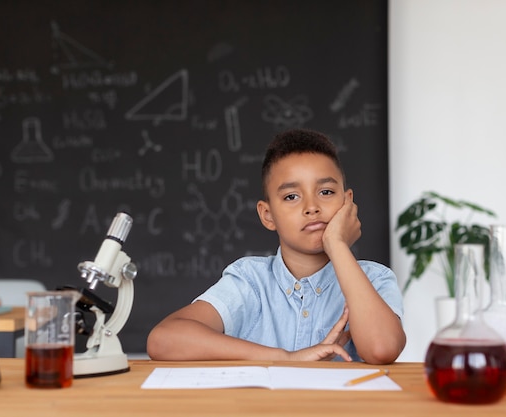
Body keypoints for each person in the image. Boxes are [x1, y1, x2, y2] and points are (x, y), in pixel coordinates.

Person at [147, 128, 406, 364]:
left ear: (347, 203)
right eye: (291, 196)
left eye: (326, 192)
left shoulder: (375, 278)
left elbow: (382, 349)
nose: (312, 207)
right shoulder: (251, 281)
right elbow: (163, 339)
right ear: (267, 215)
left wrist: (337, 244)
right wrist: (286, 358)